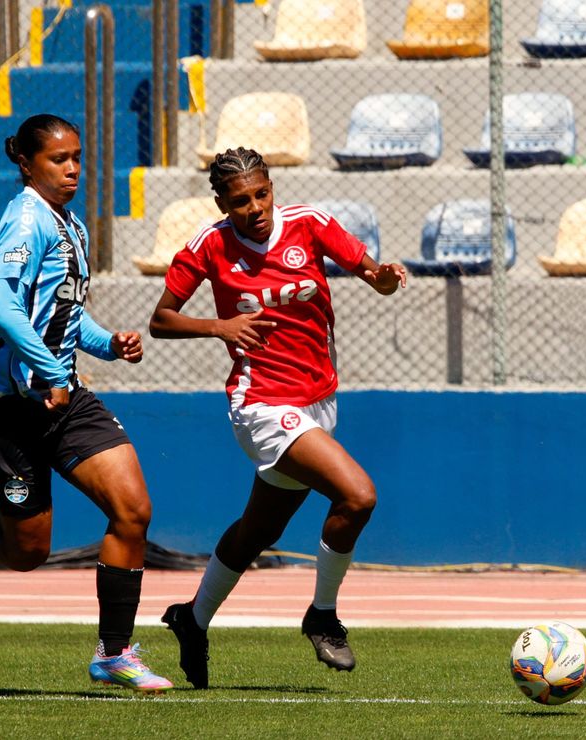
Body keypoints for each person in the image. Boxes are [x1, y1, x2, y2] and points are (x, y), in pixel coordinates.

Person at [0, 113, 172, 694]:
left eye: (77, 156)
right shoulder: (26, 220)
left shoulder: (69, 223)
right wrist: (51, 371)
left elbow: (66, 317)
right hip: (9, 413)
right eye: (58, 159)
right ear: (26, 163)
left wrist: (108, 343)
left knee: (133, 510)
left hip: (63, 398)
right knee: (27, 553)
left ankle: (115, 653)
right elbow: (0, 304)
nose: (72, 168)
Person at [150, 147, 407, 688]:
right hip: (261, 404)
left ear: (273, 188)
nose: (255, 208)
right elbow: (161, 321)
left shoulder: (310, 225)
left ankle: (191, 620)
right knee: (357, 495)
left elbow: (370, 272)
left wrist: (384, 278)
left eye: (261, 194)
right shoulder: (209, 245)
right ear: (222, 202)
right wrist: (219, 327)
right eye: (240, 200)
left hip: (318, 401)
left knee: (256, 532)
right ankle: (322, 615)